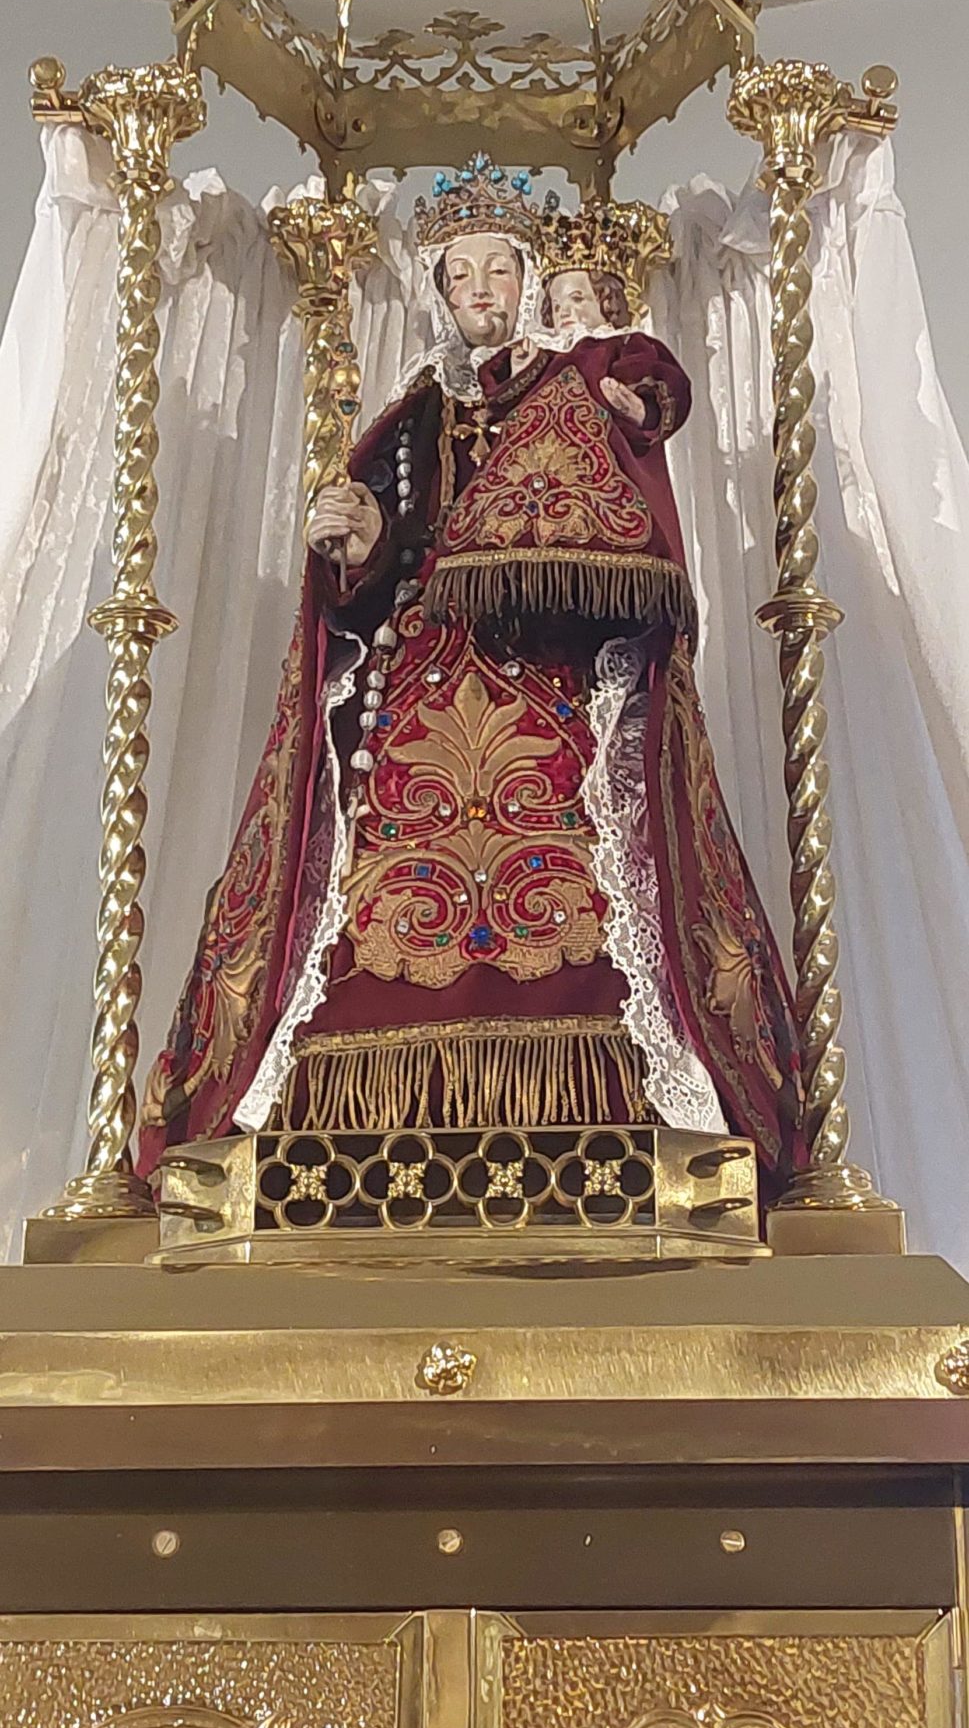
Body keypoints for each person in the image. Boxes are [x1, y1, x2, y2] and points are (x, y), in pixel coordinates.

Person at [139, 159, 804, 1188]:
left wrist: (631, 397)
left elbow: (650, 394)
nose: (480, 289)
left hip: (555, 674)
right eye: (461, 274)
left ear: (529, 279)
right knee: (374, 850)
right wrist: (360, 551)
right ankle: (358, 1119)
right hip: (427, 676)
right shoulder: (416, 416)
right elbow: (374, 575)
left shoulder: (576, 378)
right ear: (441, 292)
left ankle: (613, 1103)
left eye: (498, 268)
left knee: (591, 852)